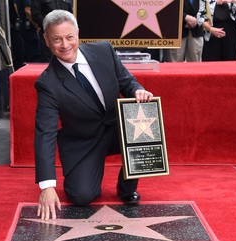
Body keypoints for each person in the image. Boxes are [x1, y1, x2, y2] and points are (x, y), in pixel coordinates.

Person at [34, 10, 154, 220]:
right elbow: (45, 133)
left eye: (70, 37)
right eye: (57, 39)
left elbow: (127, 82)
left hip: (116, 128)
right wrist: (46, 185)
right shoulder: (47, 83)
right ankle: (86, 175)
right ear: (46, 40)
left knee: (145, 125)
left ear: (78, 34)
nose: (65, 45)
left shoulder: (104, 50)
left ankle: (126, 188)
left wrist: (137, 90)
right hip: (84, 140)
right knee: (81, 196)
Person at [9, 0, 41, 70]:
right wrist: (38, 26)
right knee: (33, 61)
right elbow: (28, 10)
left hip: (22, 29)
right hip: (28, 30)